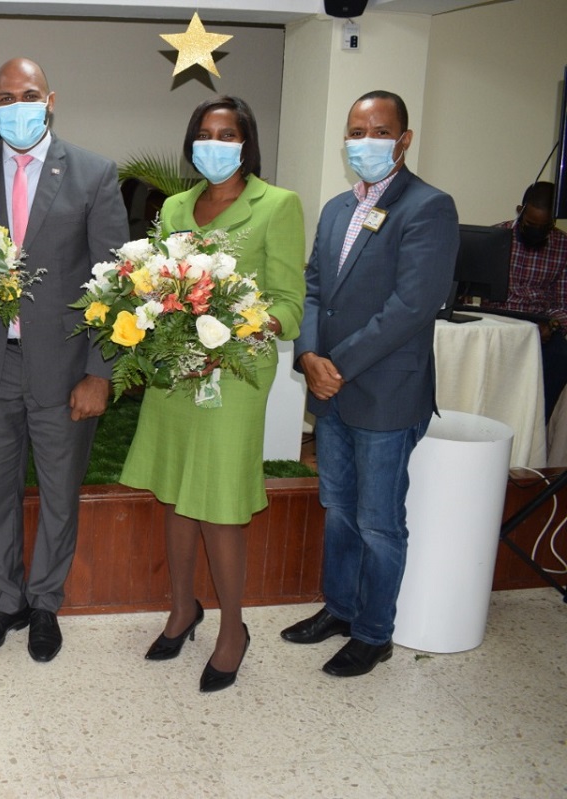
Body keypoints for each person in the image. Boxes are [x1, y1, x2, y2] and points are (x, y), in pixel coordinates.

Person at [0, 57, 128, 663]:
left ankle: (45, 603)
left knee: (58, 493)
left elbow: (113, 284)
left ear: (50, 101)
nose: (17, 107)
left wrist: (100, 372)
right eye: (5, 98)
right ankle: (5, 602)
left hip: (66, 367)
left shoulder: (94, 173)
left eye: (29, 96)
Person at [120, 96, 306, 692]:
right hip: (177, 371)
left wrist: (236, 327)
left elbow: (290, 304)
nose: (215, 144)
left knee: (221, 502)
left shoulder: (277, 204)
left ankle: (232, 630)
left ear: (247, 143)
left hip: (235, 374)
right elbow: (155, 284)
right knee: (176, 493)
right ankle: (183, 609)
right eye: (205, 133)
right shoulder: (175, 206)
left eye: (227, 134)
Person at [282, 90, 458, 677]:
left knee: (380, 522)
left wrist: (337, 364)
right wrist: (309, 354)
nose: (366, 142)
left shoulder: (428, 207)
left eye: (380, 132)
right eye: (357, 131)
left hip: (384, 391)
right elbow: (312, 286)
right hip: (331, 387)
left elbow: (414, 305)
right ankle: (340, 609)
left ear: (404, 139)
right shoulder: (338, 208)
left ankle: (374, 633)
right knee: (338, 507)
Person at [481, 181, 567, 418]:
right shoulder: (495, 237)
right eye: (531, 224)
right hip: (497, 319)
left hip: (540, 324)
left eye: (544, 227)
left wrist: (552, 324)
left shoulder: (563, 247)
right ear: (520, 211)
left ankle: (537, 422)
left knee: (561, 356)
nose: (537, 231)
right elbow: (471, 290)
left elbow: (563, 303)